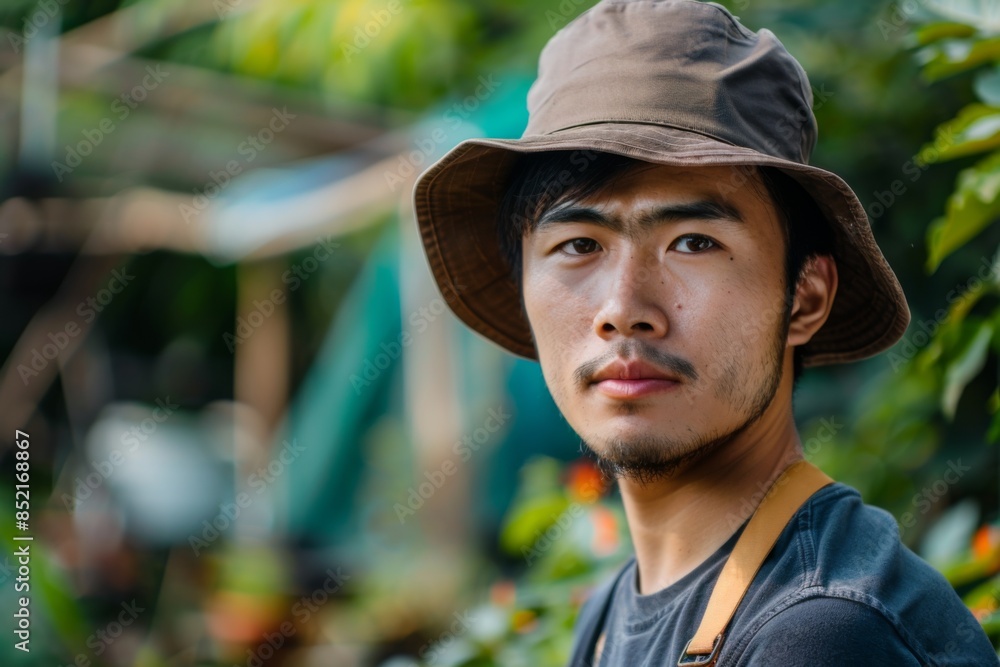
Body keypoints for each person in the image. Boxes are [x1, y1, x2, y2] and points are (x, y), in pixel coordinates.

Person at [411, 0, 999, 664]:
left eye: (692, 241)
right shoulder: (609, 615)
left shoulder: (822, 632)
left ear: (804, 297)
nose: (625, 307)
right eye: (579, 244)